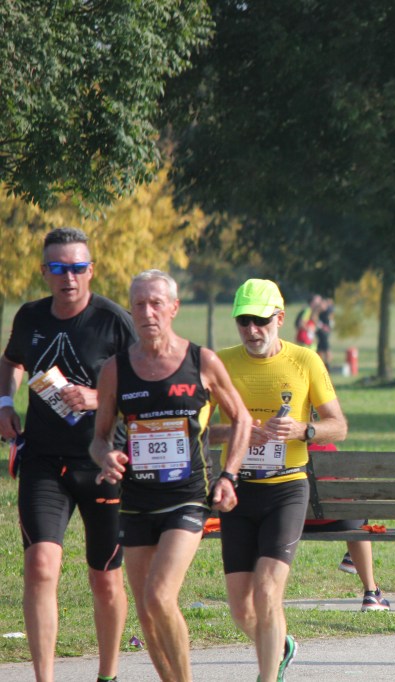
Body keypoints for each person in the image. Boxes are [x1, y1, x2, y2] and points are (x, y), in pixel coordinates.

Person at [90, 270, 252, 682]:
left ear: (174, 308)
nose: (148, 312)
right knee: (147, 610)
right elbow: (99, 438)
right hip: (136, 502)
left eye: (156, 303)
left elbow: (242, 419)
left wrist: (229, 476)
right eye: (139, 304)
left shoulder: (201, 361)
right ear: (131, 310)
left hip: (187, 498)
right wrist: (106, 457)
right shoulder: (115, 370)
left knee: (160, 596)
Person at [0, 227, 135, 682]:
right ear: (44, 271)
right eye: (58, 268)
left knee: (105, 577)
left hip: (102, 463)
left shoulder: (113, 321)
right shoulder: (31, 316)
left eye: (77, 267)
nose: (68, 277)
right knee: (40, 566)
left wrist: (98, 398)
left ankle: (107, 675)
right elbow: (11, 361)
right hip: (43, 461)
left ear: (91, 270)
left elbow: (144, 381)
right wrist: (4, 403)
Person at [211, 280, 356, 682]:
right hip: (238, 490)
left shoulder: (305, 360)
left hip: (287, 488)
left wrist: (303, 430)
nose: (252, 330)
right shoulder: (220, 362)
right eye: (243, 321)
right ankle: (282, 645)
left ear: (279, 318)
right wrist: (238, 431)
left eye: (260, 321)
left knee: (267, 590)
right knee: (241, 608)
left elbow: (339, 426)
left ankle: (267, 677)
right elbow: (198, 430)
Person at [316, 297, 335, 368]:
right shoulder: (320, 312)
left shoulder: (328, 311)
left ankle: (326, 366)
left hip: (325, 334)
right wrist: (322, 326)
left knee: (326, 351)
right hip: (321, 334)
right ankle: (322, 366)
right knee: (321, 351)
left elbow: (330, 321)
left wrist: (328, 327)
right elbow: (316, 321)